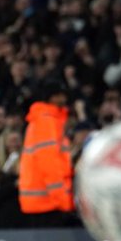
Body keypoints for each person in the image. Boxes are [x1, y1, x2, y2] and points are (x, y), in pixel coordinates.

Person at [18, 79, 75, 227]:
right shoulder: (47, 121)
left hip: (44, 200)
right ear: (53, 97)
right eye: (61, 95)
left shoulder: (45, 120)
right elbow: (49, 163)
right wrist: (64, 201)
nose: (65, 99)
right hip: (48, 202)